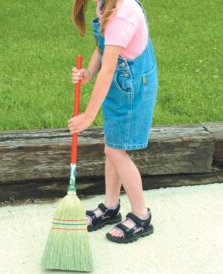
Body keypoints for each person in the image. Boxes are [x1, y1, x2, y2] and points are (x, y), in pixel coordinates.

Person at [68, 0, 158, 243]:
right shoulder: (105, 4)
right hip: (120, 85)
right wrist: (89, 72)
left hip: (134, 88)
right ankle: (110, 206)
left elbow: (109, 70)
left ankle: (141, 216)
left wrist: (88, 117)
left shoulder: (123, 13)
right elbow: (102, 48)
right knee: (113, 147)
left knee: (115, 151)